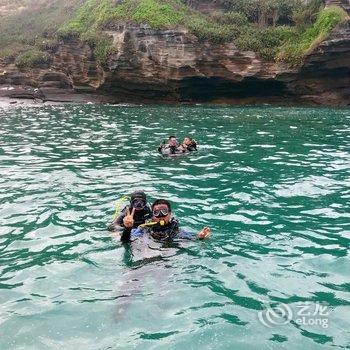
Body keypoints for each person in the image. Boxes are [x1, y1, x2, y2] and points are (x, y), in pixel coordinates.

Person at [120, 199, 211, 243]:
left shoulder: (176, 231)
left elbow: (193, 239)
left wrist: (200, 237)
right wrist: (127, 228)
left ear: (170, 213)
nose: (161, 216)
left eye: (164, 211)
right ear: (152, 215)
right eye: (156, 212)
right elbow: (125, 241)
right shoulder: (144, 229)